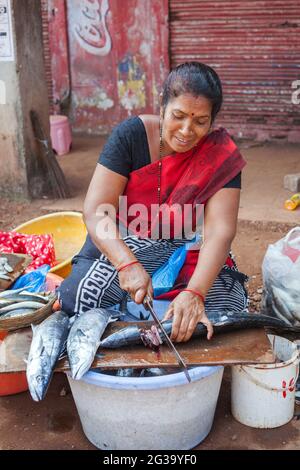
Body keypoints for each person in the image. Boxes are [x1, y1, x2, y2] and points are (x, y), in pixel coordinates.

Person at [58, 62, 248, 343]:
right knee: (78, 297)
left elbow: (220, 231)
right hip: (122, 242)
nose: (186, 130)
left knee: (228, 305)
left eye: (200, 121)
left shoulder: (221, 155)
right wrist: (126, 264)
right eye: (178, 116)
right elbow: (97, 212)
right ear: (162, 106)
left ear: (212, 121)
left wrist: (195, 292)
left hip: (184, 245)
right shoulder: (130, 136)